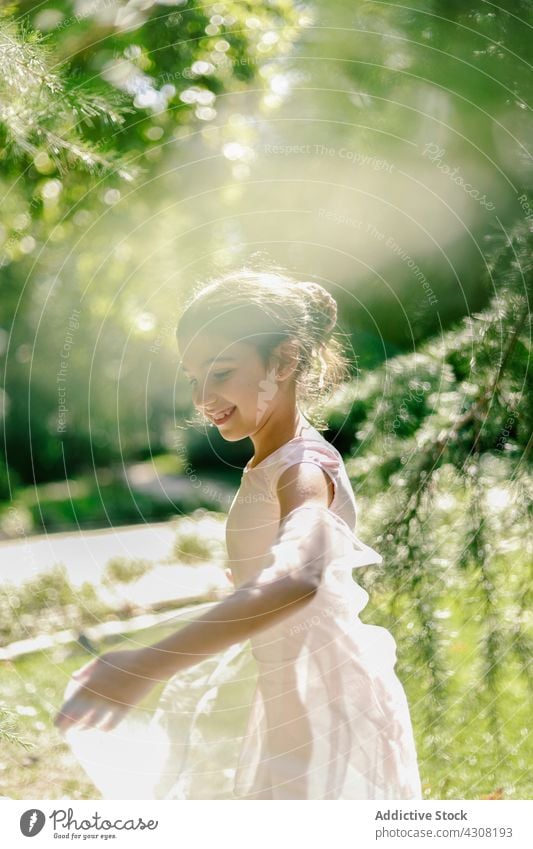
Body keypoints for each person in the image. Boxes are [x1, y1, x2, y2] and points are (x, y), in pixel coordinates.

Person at [54, 263, 423, 800]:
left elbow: (296, 579)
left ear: (285, 358)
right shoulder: (266, 465)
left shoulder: (303, 470)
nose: (204, 396)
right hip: (284, 702)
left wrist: (148, 664)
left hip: (324, 707)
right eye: (193, 378)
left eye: (221, 372)